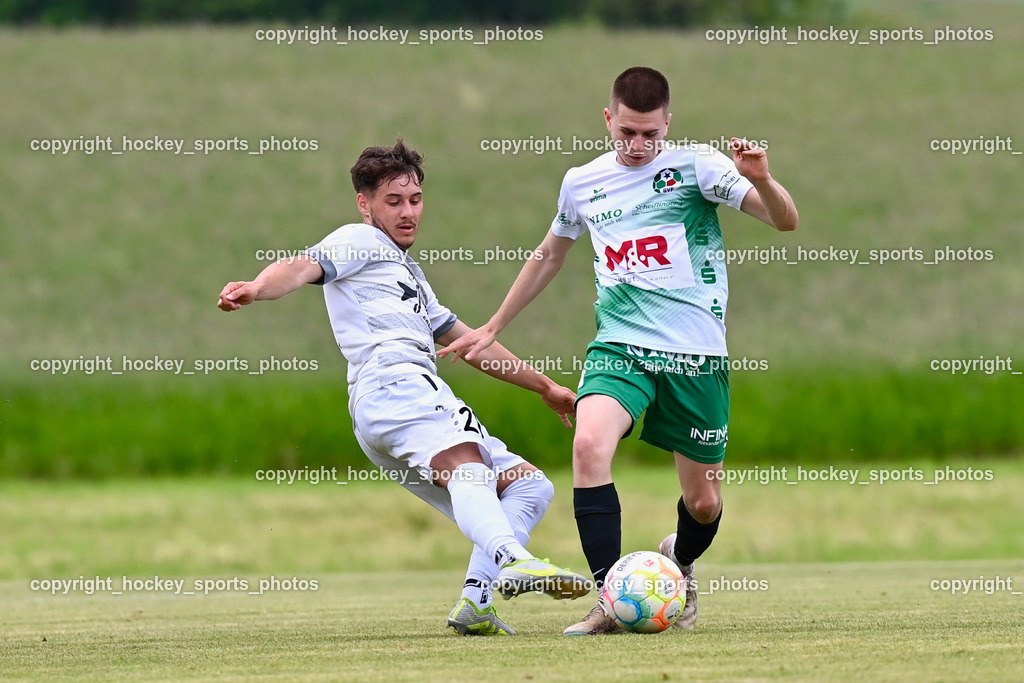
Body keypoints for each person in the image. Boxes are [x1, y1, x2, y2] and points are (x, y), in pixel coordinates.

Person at [439, 66, 798, 635]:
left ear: (668, 124)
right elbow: (550, 254)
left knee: (704, 504)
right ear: (608, 119)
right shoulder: (583, 182)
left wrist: (764, 180)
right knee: (587, 445)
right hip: (619, 348)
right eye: (627, 132)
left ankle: (678, 562)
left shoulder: (699, 166)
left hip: (695, 356)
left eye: (650, 134)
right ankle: (609, 599)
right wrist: (493, 325)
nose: (637, 145)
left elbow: (785, 221)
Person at [217, 139, 589, 636]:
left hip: (393, 402)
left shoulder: (406, 272)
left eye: (415, 200)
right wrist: (257, 288)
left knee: (527, 486)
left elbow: (469, 343)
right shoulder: (358, 239)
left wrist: (544, 387)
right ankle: (513, 560)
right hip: (395, 384)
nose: (408, 212)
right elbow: (301, 266)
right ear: (365, 204)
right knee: (470, 469)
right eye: (393, 201)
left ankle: (476, 602)